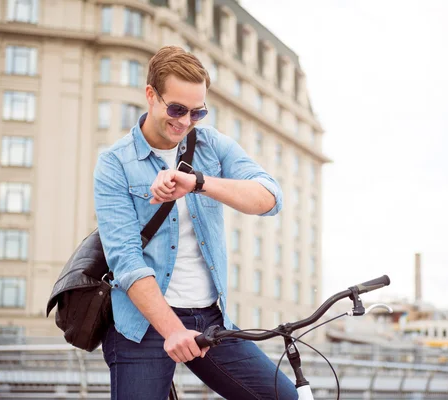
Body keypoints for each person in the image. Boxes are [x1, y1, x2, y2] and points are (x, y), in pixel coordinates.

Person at [94, 46, 297, 400]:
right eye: (176, 109)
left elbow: (270, 198)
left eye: (197, 112)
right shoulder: (114, 163)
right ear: (150, 95)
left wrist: (199, 182)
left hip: (210, 318)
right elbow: (125, 262)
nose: (185, 121)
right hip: (142, 324)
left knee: (283, 397)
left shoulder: (210, 144)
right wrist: (172, 330)